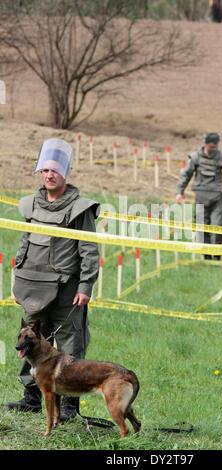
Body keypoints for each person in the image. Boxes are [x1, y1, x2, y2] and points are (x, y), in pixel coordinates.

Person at [5, 138, 100, 421]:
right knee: (30, 341)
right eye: (45, 170)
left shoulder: (79, 209)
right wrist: (17, 282)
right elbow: (24, 245)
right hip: (33, 286)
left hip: (66, 290)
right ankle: (32, 397)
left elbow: (89, 250)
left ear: (65, 173)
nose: (49, 175)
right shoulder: (30, 205)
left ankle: (70, 405)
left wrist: (85, 286)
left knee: (70, 344)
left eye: (55, 171)